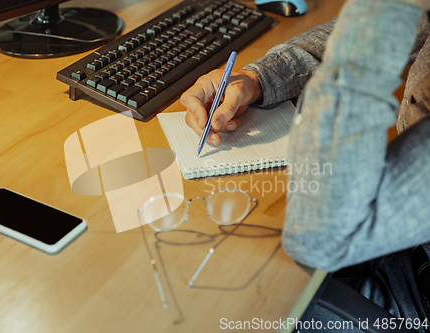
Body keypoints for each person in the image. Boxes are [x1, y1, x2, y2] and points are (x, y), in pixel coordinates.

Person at [181, 0, 430, 331]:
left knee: (242, 307)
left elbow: (315, 238)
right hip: (406, 247)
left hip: (413, 299)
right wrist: (257, 78)